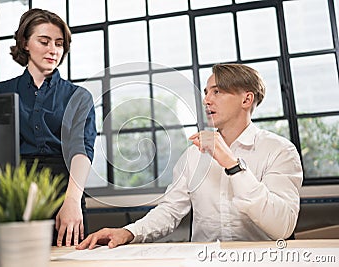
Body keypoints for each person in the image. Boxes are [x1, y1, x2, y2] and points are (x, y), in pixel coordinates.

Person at [76, 63, 303, 250]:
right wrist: (128, 232)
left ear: (246, 100)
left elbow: (282, 226)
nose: (206, 100)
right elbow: (170, 210)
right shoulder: (193, 155)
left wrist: (232, 165)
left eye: (217, 91)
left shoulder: (280, 151)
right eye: (206, 93)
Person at [0, 8, 96, 247]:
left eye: (59, 43)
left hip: (64, 192)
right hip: (13, 195)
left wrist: (72, 201)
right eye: (44, 41)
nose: (53, 50)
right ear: (25, 43)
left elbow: (81, 150)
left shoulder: (79, 96)